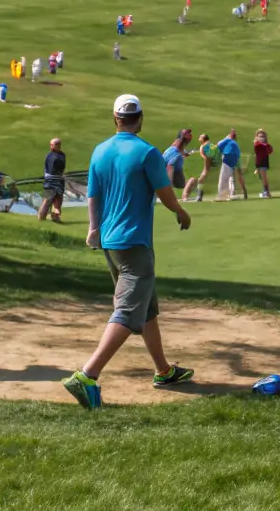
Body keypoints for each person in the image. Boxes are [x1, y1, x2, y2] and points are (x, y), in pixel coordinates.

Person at [60, 94, 193, 410]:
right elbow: (165, 191)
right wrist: (181, 212)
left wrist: (94, 229)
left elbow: (94, 194)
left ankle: (163, 371)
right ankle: (87, 375)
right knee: (128, 310)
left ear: (115, 119)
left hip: (110, 241)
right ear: (141, 119)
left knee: (145, 307)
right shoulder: (147, 153)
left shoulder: (100, 151)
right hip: (135, 242)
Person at [39, 138, 67, 222]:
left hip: (58, 179)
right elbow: (53, 171)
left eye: (58, 144)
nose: (51, 146)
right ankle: (42, 217)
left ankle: (55, 216)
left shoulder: (61, 155)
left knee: (59, 198)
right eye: (52, 144)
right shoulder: (51, 156)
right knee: (48, 199)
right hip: (51, 180)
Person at [183, 133, 213, 202]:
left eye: (200, 137)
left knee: (200, 180)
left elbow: (206, 157)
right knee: (201, 180)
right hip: (209, 166)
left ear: (203, 139)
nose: (199, 138)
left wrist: (205, 157)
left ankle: (199, 196)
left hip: (207, 167)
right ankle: (199, 196)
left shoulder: (203, 146)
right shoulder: (209, 145)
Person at [216, 129, 244, 200]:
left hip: (228, 159)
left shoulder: (228, 141)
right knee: (231, 178)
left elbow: (218, 145)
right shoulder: (233, 143)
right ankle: (232, 193)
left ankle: (223, 196)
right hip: (233, 159)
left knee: (224, 178)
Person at [163, 129, 193, 194]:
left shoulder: (178, 149)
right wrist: (169, 189)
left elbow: (181, 148)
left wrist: (185, 153)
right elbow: (169, 168)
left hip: (177, 171)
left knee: (186, 183)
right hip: (168, 173)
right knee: (190, 181)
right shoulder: (174, 152)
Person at [253, 130, 273, 198]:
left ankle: (267, 193)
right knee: (263, 179)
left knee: (264, 178)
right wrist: (264, 144)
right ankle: (266, 192)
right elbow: (256, 146)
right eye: (260, 136)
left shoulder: (266, 145)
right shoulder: (257, 144)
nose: (261, 138)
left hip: (263, 163)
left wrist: (266, 145)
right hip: (259, 164)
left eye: (263, 136)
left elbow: (270, 150)